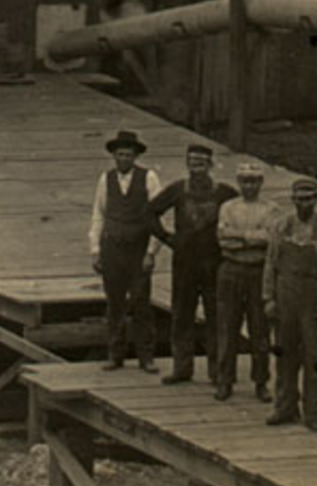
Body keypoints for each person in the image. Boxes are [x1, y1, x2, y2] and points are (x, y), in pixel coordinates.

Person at [150, 145, 236, 386]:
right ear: (187, 164)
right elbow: (149, 213)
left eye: (201, 162)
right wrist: (167, 238)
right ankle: (182, 367)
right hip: (185, 263)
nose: (196, 167)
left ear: (210, 165)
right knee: (181, 314)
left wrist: (231, 244)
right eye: (192, 162)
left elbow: (240, 213)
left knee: (216, 316)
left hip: (214, 263)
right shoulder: (178, 190)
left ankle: (217, 371)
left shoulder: (225, 193)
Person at [263, 176, 317, 429]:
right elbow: (271, 264)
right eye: (299, 199)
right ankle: (285, 407)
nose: (304, 204)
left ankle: (315, 414)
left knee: (314, 357)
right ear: (292, 200)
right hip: (285, 295)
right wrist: (268, 298)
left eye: (309, 199)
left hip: (313, 297)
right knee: (285, 354)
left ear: (316, 199)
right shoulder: (281, 226)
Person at [88, 130, 163, 373]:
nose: (123, 159)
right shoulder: (106, 179)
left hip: (138, 249)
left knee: (141, 301)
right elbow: (99, 214)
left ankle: (146, 356)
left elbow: (157, 216)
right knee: (115, 303)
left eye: (128, 155)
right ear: (113, 156)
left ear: (135, 156)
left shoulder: (149, 177)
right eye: (119, 155)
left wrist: (151, 252)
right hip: (112, 249)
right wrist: (95, 250)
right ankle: (115, 354)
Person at [210, 163, 272, 402]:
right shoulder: (227, 207)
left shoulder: (271, 210)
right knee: (227, 326)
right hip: (231, 268)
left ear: (261, 183)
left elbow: (270, 238)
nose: (249, 185)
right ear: (239, 182)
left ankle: (261, 382)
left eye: (254, 181)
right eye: (245, 181)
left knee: (260, 328)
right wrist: (253, 238)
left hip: (258, 271)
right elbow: (223, 240)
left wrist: (241, 236)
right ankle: (225, 380)